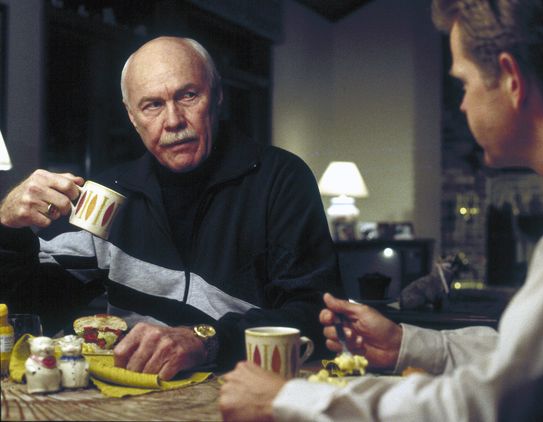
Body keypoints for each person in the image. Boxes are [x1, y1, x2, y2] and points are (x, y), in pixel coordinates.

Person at [219, 0, 543, 420]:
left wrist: (287, 399)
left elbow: (492, 406)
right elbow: (527, 360)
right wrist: (405, 344)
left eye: (464, 83)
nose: (462, 105)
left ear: (511, 79)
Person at [0, 36, 339, 380]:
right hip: (133, 394)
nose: (173, 120)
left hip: (242, 390)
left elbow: (319, 316)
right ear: (132, 116)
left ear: (217, 96)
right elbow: (32, 312)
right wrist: (8, 228)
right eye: (152, 105)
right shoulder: (108, 195)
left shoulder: (280, 179)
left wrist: (207, 341)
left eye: (188, 96)